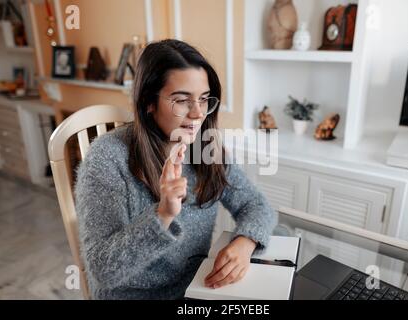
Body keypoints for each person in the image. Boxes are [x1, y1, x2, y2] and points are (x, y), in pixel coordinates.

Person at [74, 39, 276, 300]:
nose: (197, 114)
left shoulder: (206, 147)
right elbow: (103, 271)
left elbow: (256, 205)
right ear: (149, 102)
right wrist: (162, 215)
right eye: (182, 100)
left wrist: (245, 242)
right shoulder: (107, 157)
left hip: (198, 287)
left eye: (203, 100)